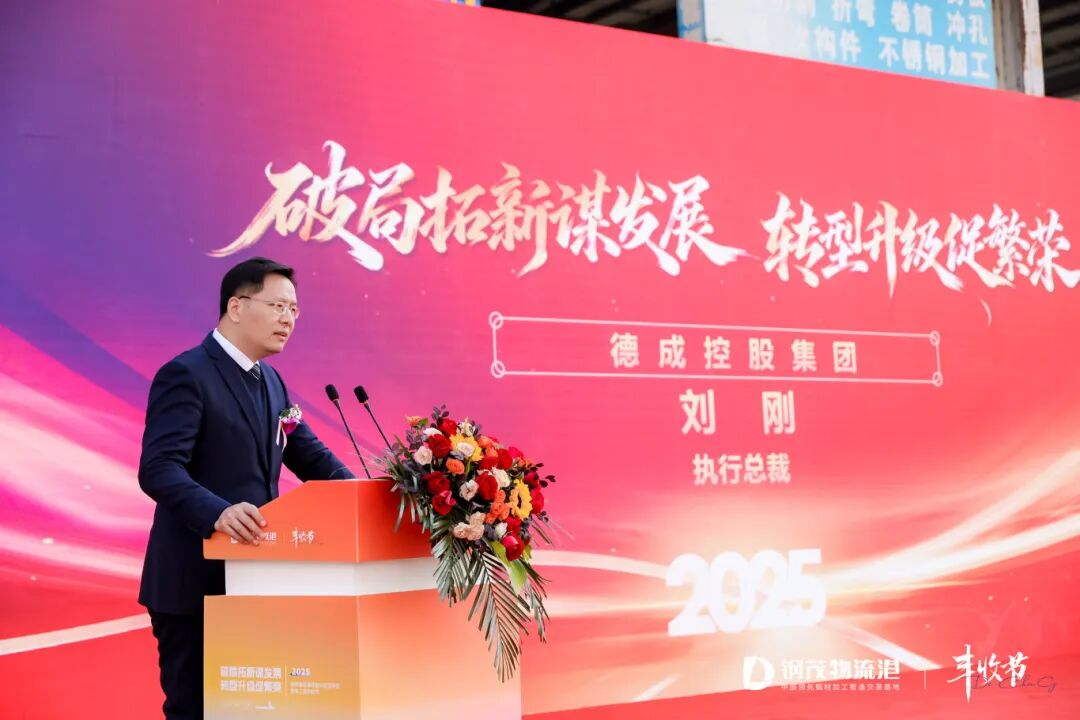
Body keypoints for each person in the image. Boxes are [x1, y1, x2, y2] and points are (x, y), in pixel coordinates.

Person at [137, 257, 354, 719]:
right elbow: (158, 467)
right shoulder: (187, 374)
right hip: (195, 583)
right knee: (196, 709)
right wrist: (217, 512)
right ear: (236, 307)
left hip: (256, 578)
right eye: (277, 306)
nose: (288, 319)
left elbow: (308, 455)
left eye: (294, 310)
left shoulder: (271, 381)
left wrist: (363, 496)